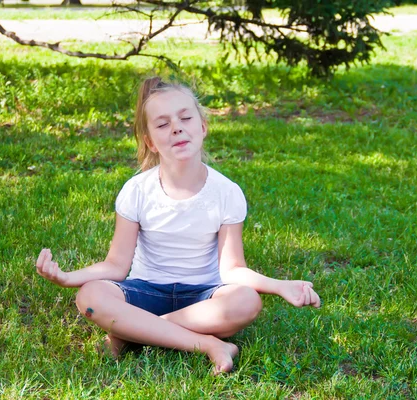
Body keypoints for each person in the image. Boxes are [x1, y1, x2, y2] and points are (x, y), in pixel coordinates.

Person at [35, 76, 321, 374]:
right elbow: (116, 265)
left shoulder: (226, 192)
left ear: (203, 127)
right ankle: (210, 344)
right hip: (144, 292)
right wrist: (68, 278)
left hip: (204, 298)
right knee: (91, 297)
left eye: (185, 117)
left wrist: (279, 286)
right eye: (162, 125)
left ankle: (131, 332)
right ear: (150, 142)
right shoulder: (137, 190)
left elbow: (232, 270)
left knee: (246, 302)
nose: (176, 127)